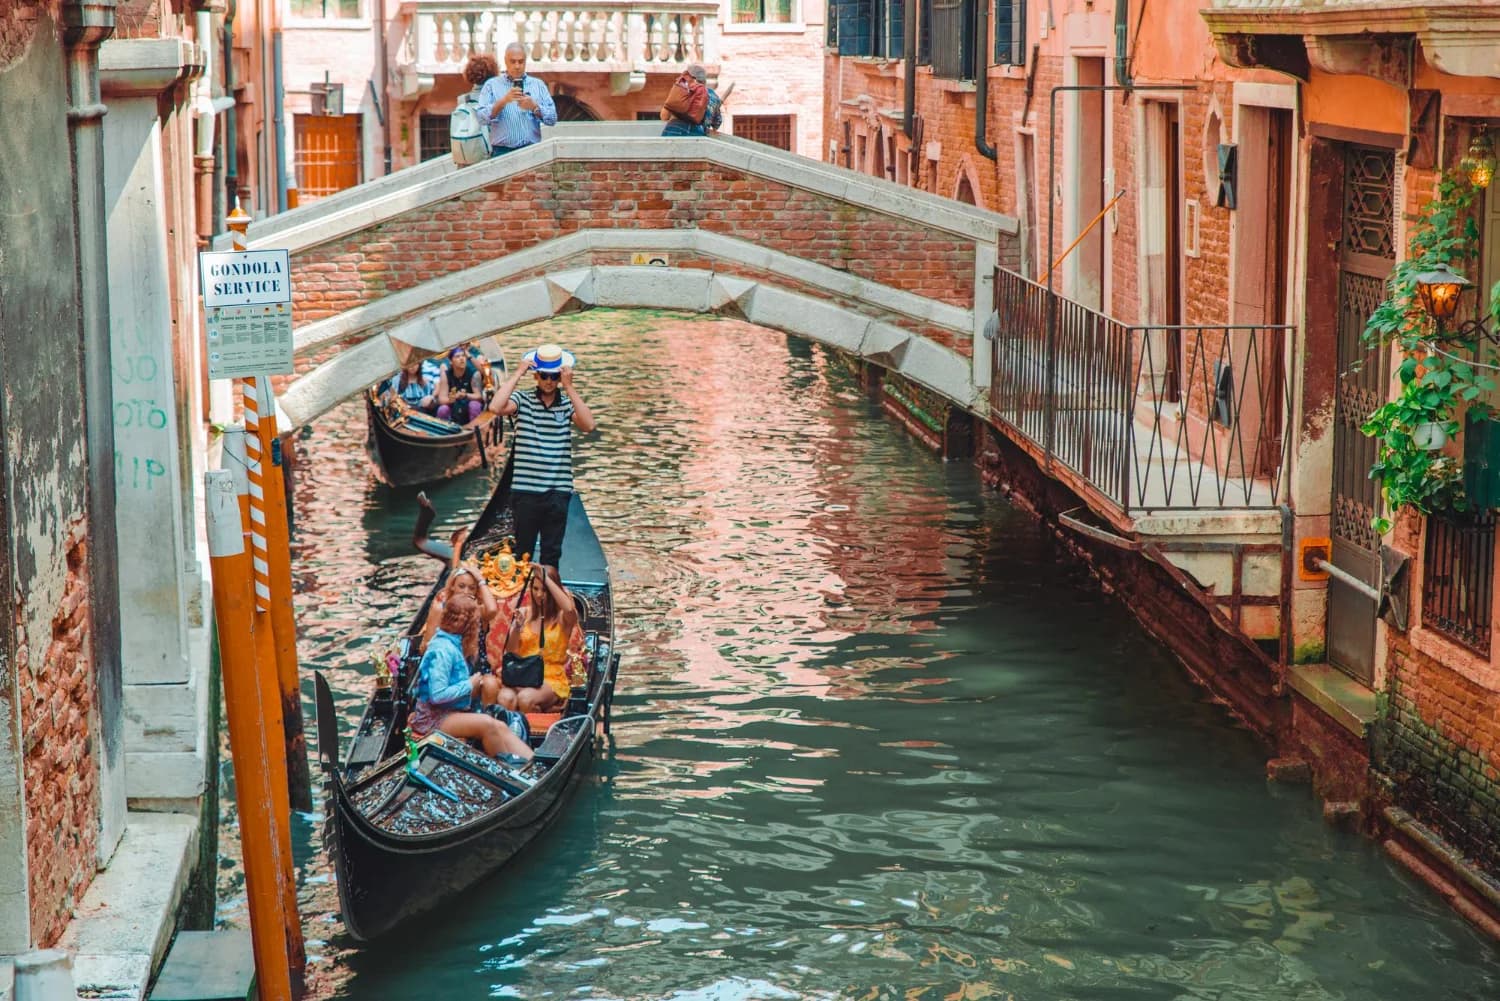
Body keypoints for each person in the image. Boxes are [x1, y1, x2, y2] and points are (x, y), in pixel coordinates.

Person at [486, 343, 596, 567]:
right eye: (544, 376)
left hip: (557, 492)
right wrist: (518, 372)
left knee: (551, 555)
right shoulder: (522, 400)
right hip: (526, 491)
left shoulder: (566, 404)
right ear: (536, 376)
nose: (549, 381)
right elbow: (495, 407)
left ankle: (547, 599)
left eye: (554, 376)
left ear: (559, 377)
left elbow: (589, 426)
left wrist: (570, 387)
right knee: (522, 554)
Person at [408, 594, 532, 760]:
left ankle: (533, 762)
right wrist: (469, 684)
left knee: (500, 725)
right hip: (432, 719)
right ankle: (507, 769)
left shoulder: (453, 644)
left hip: (448, 712)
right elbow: (437, 695)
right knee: (487, 725)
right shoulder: (442, 650)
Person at [487, 564, 583, 713]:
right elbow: (511, 651)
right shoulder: (524, 613)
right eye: (535, 589)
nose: (539, 595)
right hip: (522, 674)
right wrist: (517, 628)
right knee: (505, 698)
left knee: (525, 699)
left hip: (550, 678)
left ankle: (529, 731)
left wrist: (547, 579)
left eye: (544, 590)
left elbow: (570, 609)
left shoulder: (563, 618)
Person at [476, 42, 557, 155]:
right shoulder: (492, 85)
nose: (517, 66)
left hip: (531, 152)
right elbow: (481, 118)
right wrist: (503, 101)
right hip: (502, 152)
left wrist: (534, 107)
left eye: (521, 61)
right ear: (505, 61)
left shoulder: (538, 85)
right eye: (513, 61)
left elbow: (552, 118)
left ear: (525, 61)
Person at [660, 63, 714, 137]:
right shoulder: (711, 95)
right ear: (704, 80)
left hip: (673, 129)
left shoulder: (681, 87)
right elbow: (714, 122)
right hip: (696, 133)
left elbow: (664, 116)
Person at [437, 345, 485, 424]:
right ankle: (445, 431)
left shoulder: (474, 373)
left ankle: (474, 430)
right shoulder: (446, 375)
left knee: (475, 405)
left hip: (468, 405)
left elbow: (479, 396)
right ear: (451, 361)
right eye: (457, 357)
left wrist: (466, 395)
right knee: (442, 409)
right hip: (453, 407)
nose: (461, 358)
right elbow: (441, 399)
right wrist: (451, 399)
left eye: (463, 356)